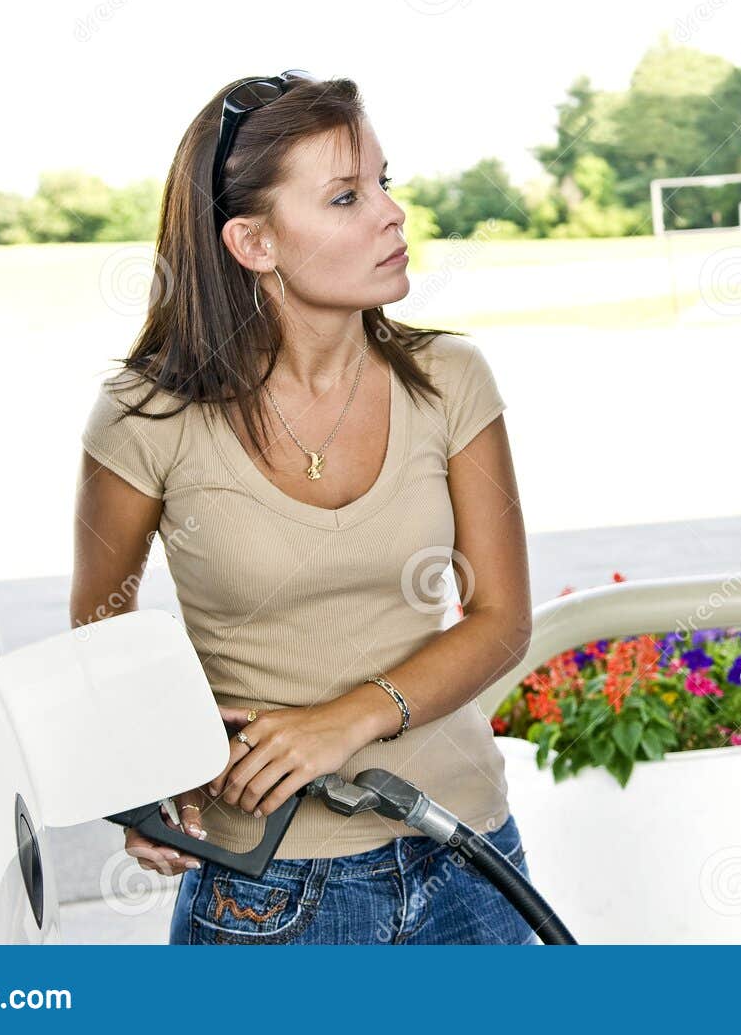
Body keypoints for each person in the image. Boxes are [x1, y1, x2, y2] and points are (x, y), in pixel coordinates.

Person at [71, 71, 538, 944]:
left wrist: (345, 720)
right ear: (253, 241)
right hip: (265, 887)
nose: (392, 214)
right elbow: (102, 627)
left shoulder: (452, 381)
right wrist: (139, 774)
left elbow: (503, 618)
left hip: (468, 853)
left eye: (385, 184)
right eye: (345, 197)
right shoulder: (146, 416)